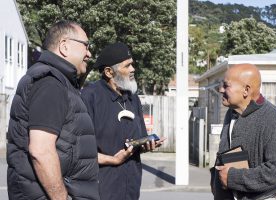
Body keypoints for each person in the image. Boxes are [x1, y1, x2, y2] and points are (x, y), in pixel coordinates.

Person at [6, 20, 100, 200]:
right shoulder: (50, 83)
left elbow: (71, 148)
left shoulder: (59, 82)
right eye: (86, 46)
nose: (89, 53)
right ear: (64, 46)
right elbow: (41, 151)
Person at [81, 42, 165, 200]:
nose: (133, 69)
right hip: (101, 190)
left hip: (131, 189)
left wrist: (146, 145)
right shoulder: (90, 97)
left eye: (132, 64)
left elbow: (136, 142)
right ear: (109, 72)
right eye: (127, 66)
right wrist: (113, 160)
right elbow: (79, 151)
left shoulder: (133, 98)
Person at [211, 63, 276, 200]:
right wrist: (215, 181)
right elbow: (230, 156)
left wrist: (232, 178)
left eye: (226, 85)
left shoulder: (273, 119)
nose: (220, 89)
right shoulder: (231, 113)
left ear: (246, 90)